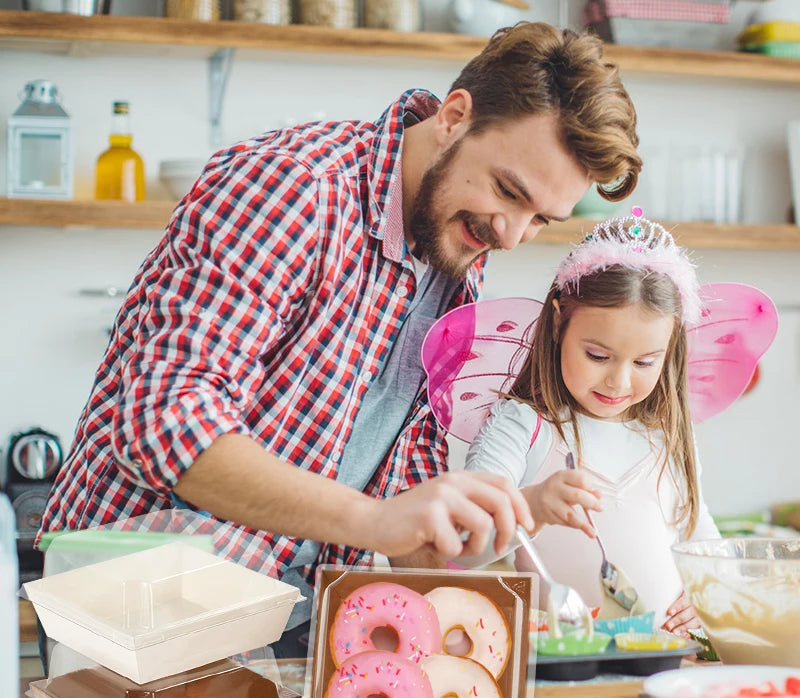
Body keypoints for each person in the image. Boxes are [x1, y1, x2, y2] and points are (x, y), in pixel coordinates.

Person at [38, 22, 641, 657]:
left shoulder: (458, 245)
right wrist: (373, 519)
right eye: (509, 192)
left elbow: (400, 507)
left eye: (541, 219)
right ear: (456, 117)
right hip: (135, 605)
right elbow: (163, 422)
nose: (513, 233)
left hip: (282, 621)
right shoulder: (292, 188)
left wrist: (460, 535)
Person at [461, 209, 720, 635]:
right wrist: (530, 506)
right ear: (560, 320)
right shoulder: (523, 425)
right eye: (597, 356)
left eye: (644, 361)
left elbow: (700, 536)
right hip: (559, 664)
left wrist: (706, 590)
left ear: (670, 345)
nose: (619, 381)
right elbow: (464, 548)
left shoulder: (667, 431)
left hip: (664, 655)